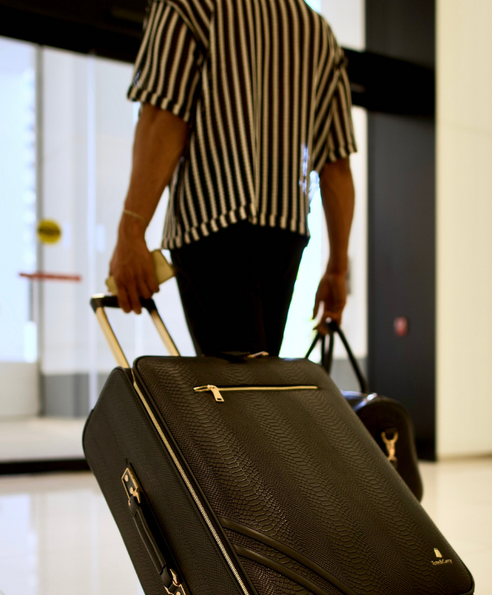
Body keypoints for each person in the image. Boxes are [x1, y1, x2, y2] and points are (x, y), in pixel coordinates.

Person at [109, 0, 356, 355]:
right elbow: (337, 164)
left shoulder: (188, 5)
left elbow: (164, 114)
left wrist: (132, 229)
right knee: (258, 373)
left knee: (233, 382)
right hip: (285, 233)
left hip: (211, 222)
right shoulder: (316, 31)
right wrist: (336, 269)